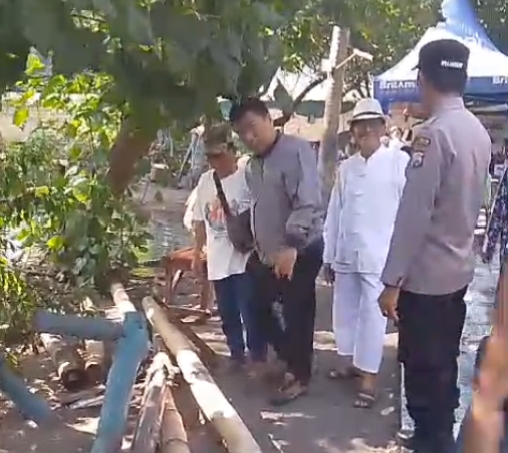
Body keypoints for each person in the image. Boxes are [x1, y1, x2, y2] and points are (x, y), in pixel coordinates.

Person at [378, 39, 491, 452]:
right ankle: (437, 435)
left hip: (425, 280)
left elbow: (414, 217)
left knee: (423, 372)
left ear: (423, 80)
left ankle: (432, 441)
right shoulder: (477, 131)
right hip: (457, 271)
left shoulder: (434, 135)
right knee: (443, 364)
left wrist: (392, 281)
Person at [229, 97, 323, 405]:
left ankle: (300, 376)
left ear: (269, 119)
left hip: (300, 249)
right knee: (255, 303)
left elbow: (307, 202)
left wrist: (292, 245)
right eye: (241, 133)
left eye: (252, 127)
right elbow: (260, 206)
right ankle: (291, 356)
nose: (248, 137)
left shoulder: (296, 151)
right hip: (267, 253)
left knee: (298, 312)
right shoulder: (252, 166)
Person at [323, 98, 409, 408]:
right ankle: (349, 361)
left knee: (373, 317)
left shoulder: (399, 162)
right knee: (345, 311)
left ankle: (369, 378)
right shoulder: (347, 167)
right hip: (347, 252)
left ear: (383, 127)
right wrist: (329, 255)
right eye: (360, 126)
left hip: (379, 255)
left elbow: (407, 214)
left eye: (372, 124)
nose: (366, 131)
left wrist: (402, 262)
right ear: (353, 131)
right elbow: (336, 211)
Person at [191, 123, 267, 371]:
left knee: (251, 310)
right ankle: (236, 354)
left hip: (245, 258)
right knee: (227, 312)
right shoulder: (205, 181)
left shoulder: (248, 177)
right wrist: (197, 253)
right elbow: (199, 220)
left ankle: (258, 356)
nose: (215, 162)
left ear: (232, 151)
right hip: (217, 259)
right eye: (210, 157)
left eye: (219, 156)